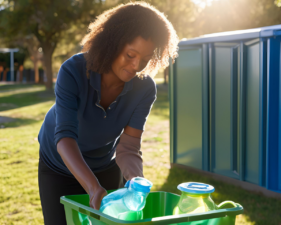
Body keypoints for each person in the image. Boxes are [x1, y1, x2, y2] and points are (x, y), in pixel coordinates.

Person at [37, 2, 179, 225]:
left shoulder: (144, 89)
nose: (136, 65)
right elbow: (64, 138)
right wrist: (92, 188)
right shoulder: (73, 71)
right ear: (112, 43)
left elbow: (129, 146)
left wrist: (135, 180)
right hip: (59, 166)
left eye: (145, 59)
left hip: (104, 164)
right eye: (130, 54)